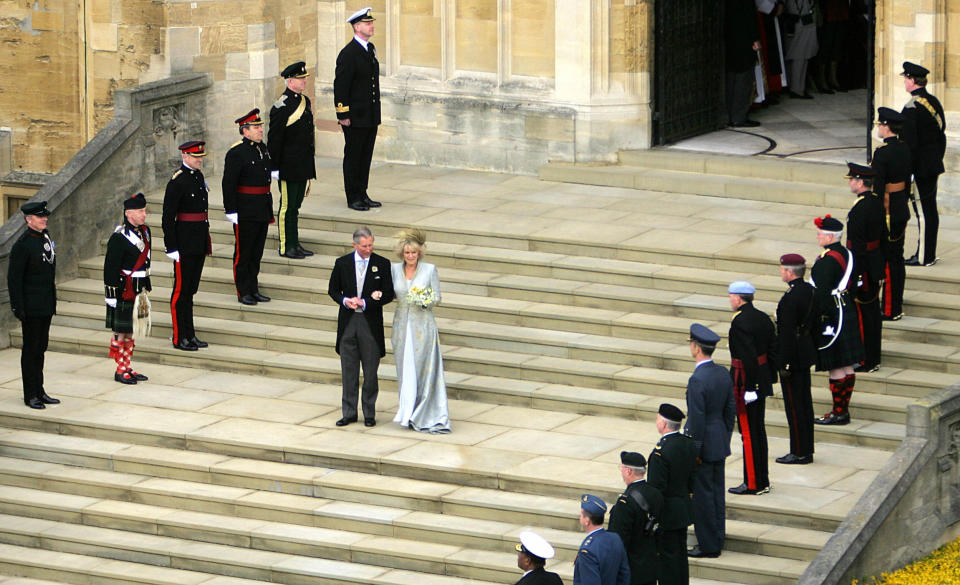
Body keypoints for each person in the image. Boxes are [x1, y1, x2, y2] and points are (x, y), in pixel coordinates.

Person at [328, 226, 395, 427]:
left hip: (369, 323)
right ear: (355, 245)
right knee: (348, 371)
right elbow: (333, 290)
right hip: (349, 322)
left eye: (371, 245)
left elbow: (388, 293)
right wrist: (345, 300)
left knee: (370, 371)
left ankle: (369, 412)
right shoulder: (342, 263)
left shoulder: (382, 263)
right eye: (364, 246)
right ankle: (348, 412)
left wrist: (367, 302)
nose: (368, 249)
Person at [390, 228, 451, 433]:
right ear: (402, 254)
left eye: (414, 253)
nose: (410, 256)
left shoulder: (429, 270)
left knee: (422, 369)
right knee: (405, 368)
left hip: (423, 326)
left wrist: (424, 300)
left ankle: (424, 411)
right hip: (401, 326)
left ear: (419, 253)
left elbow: (437, 297)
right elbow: (391, 294)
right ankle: (406, 411)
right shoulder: (394, 270)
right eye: (407, 253)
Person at [683, 324, 734, 558]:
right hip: (719, 440)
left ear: (696, 348)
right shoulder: (722, 373)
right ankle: (717, 536)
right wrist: (724, 436)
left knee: (703, 498)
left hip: (704, 445)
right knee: (716, 493)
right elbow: (729, 410)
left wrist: (694, 450)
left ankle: (708, 544)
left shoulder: (697, 380)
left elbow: (696, 419)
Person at [811, 215, 864, 425]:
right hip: (845, 306)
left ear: (830, 236)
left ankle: (839, 411)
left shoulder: (828, 260)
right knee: (846, 365)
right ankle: (842, 410)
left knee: (836, 364)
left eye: (820, 234)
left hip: (832, 312)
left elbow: (822, 292)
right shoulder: (847, 253)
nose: (817, 237)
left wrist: (817, 318)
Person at [7, 200, 60, 409]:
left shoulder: (44, 238)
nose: (44, 219)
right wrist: (18, 307)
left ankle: (40, 389)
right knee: (30, 351)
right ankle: (30, 394)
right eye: (40, 217)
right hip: (31, 307)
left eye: (44, 216)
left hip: (45, 304)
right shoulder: (23, 245)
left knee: (41, 349)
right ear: (29, 220)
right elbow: (14, 279)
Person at [727, 281, 777, 496]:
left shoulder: (740, 322)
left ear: (738, 298)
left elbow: (747, 356)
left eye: (731, 296)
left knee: (748, 433)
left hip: (745, 380)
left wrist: (749, 387)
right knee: (758, 430)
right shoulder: (763, 317)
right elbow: (773, 349)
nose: (730, 300)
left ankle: (754, 483)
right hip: (761, 377)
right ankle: (761, 478)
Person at [162, 140, 211, 351]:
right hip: (183, 243)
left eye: (200, 156)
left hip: (198, 241)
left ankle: (190, 334)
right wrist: (171, 246)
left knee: (190, 291)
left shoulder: (198, 177)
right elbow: (168, 217)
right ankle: (179, 336)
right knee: (180, 292)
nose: (199, 160)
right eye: (195, 157)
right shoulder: (177, 182)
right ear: (185, 157)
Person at [224, 109, 274, 306]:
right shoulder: (236, 152)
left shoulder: (262, 148)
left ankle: (253, 288)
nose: (261, 130)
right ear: (245, 131)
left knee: (257, 252)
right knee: (243, 253)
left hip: (261, 207)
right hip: (245, 209)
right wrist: (231, 210)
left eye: (261, 126)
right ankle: (242, 290)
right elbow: (229, 183)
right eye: (256, 127)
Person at [334, 7, 382, 211]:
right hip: (354, 116)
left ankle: (362, 193)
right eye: (367, 23)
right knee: (354, 156)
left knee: (365, 156)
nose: (371, 26)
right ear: (356, 27)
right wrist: (343, 113)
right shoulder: (349, 53)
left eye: (371, 23)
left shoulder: (369, 49)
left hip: (369, 115)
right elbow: (341, 86)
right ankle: (353, 196)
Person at [900, 61, 946, 267]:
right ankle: (928, 252)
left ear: (911, 80)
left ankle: (924, 256)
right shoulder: (933, 102)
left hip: (920, 168)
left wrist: (907, 170)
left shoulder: (912, 108)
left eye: (905, 78)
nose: (904, 81)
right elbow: (941, 134)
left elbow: (909, 144)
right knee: (930, 209)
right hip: (933, 164)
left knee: (924, 213)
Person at [268, 61, 316, 259]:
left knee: (295, 207)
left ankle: (295, 243)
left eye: (304, 78)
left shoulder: (304, 101)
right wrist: (274, 166)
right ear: (290, 81)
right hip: (288, 165)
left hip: (302, 164)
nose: (304, 81)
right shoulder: (282, 105)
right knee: (286, 207)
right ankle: (286, 245)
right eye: (300, 78)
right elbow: (275, 138)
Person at [104, 193, 153, 385]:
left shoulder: (145, 232)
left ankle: (127, 365)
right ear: (128, 214)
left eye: (144, 211)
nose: (144, 215)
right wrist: (111, 294)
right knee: (121, 330)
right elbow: (110, 267)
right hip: (124, 288)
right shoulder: (118, 238)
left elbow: (147, 261)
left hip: (139, 288)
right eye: (140, 211)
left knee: (132, 329)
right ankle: (120, 369)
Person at [647, 404, 697, 585]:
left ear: (664, 424)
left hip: (667, 513)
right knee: (680, 557)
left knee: (668, 562)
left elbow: (656, 491)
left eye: (658, 418)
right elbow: (693, 478)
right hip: (683, 508)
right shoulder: (687, 443)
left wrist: (653, 515)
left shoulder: (661, 453)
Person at [871, 107, 913, 321]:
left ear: (886, 127)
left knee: (888, 261)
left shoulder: (882, 153)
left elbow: (878, 188)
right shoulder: (905, 148)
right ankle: (897, 301)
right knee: (897, 258)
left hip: (887, 210)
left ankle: (890, 308)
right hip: (900, 208)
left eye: (880, 124)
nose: (878, 127)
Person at [774, 254, 816, 464]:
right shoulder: (808, 290)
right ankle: (806, 447)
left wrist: (783, 362)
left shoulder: (791, 298)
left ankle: (799, 450)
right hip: (805, 351)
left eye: (782, 270)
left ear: (790, 272)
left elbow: (787, 333)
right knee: (804, 403)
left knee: (795, 406)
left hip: (794, 356)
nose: (781, 272)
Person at [845, 162, 886, 372]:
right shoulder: (876, 202)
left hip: (863, 268)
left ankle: (866, 359)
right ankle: (872, 357)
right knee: (871, 314)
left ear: (861, 182)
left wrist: (857, 274)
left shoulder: (861, 208)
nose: (850, 182)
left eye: (852, 179)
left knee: (864, 315)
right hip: (874, 264)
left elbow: (858, 246)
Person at [608, 451, 664, 585]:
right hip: (650, 564)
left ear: (628, 471)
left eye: (621, 468)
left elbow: (618, 540)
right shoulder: (655, 493)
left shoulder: (625, 503)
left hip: (631, 568)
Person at [573, 494, 630, 585]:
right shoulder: (615, 538)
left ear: (587, 520)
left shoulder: (587, 551)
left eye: (581, 514)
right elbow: (624, 575)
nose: (579, 517)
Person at [724, 0, 761, 127]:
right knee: (743, 78)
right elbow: (748, 15)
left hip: (729, 39)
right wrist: (755, 38)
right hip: (743, 39)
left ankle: (728, 115)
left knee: (731, 78)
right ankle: (738, 116)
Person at [782, 0, 818, 99]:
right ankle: (797, 89)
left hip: (798, 22)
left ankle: (795, 87)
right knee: (799, 58)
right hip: (800, 22)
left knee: (799, 57)